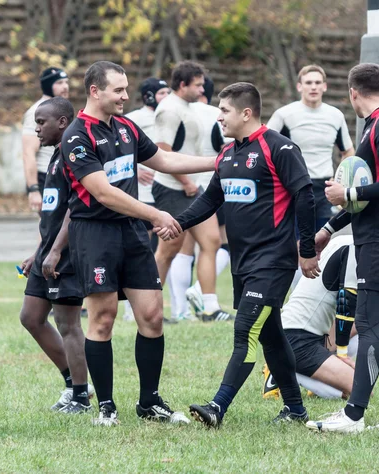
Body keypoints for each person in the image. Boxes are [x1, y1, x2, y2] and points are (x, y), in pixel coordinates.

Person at [61, 60, 216, 426]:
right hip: (96, 234)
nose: (126, 96)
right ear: (95, 91)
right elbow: (102, 192)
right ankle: (107, 407)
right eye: (118, 90)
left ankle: (149, 403)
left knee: (152, 315)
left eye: (126, 89)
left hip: (130, 233)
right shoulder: (77, 136)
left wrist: (218, 162)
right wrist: (156, 215)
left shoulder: (127, 127)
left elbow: (163, 158)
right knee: (102, 319)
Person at [163, 82, 319, 427]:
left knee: (245, 330)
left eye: (225, 111)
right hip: (243, 261)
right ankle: (295, 409)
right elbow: (209, 201)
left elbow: (305, 196)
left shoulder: (279, 148)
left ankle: (218, 407)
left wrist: (306, 250)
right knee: (271, 337)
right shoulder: (228, 154)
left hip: (273, 260)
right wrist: (176, 222)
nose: (219, 117)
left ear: (246, 113)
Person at [308, 63, 379, 433]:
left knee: (368, 324)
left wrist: (348, 192)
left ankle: (354, 415)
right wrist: (328, 227)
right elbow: (364, 201)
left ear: (353, 93)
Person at [18, 97, 94, 413]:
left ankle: (80, 395)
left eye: (41, 122)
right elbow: (51, 213)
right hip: (47, 253)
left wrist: (56, 250)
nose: (36, 129)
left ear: (62, 123)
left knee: (68, 323)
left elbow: (76, 209)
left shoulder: (73, 154)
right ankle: (73, 384)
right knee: (31, 317)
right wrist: (37, 252)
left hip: (66, 255)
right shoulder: (52, 158)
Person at [152, 61, 228, 322]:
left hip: (193, 188)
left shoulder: (189, 107)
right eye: (197, 84)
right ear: (183, 85)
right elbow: (162, 151)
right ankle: (150, 307)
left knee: (212, 241)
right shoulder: (169, 110)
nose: (202, 88)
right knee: (167, 250)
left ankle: (209, 307)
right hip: (173, 188)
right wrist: (185, 182)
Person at [264, 233, 358, 400]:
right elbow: (347, 305)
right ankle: (280, 367)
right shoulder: (352, 248)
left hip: (305, 335)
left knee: (365, 328)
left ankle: (285, 364)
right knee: (360, 390)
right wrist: (342, 355)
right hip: (298, 339)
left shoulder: (341, 240)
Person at [267, 64, 355, 232]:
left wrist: (340, 181)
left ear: (325, 86)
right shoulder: (284, 114)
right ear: (299, 86)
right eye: (308, 83)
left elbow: (348, 152)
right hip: (293, 185)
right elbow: (264, 147)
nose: (313, 87)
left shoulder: (335, 115)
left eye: (317, 82)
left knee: (320, 242)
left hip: (324, 187)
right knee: (298, 244)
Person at [173, 76, 233, 320]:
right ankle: (202, 298)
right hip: (203, 186)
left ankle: (181, 309)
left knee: (183, 248)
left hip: (183, 183)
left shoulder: (174, 110)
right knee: (213, 242)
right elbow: (226, 147)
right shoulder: (211, 114)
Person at [122, 77, 171, 322]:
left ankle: (148, 306)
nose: (166, 96)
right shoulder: (134, 118)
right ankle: (130, 307)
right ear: (150, 95)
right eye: (162, 92)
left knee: (155, 250)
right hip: (139, 196)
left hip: (160, 190)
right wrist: (136, 168)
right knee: (141, 247)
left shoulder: (168, 115)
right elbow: (122, 151)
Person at [22, 67, 69, 212]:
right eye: (59, 83)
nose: (65, 86)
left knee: (58, 231)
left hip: (63, 175)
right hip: (46, 178)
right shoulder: (37, 112)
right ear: (48, 86)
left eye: (66, 82)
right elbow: (28, 152)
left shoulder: (62, 109)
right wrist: (34, 189)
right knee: (53, 230)